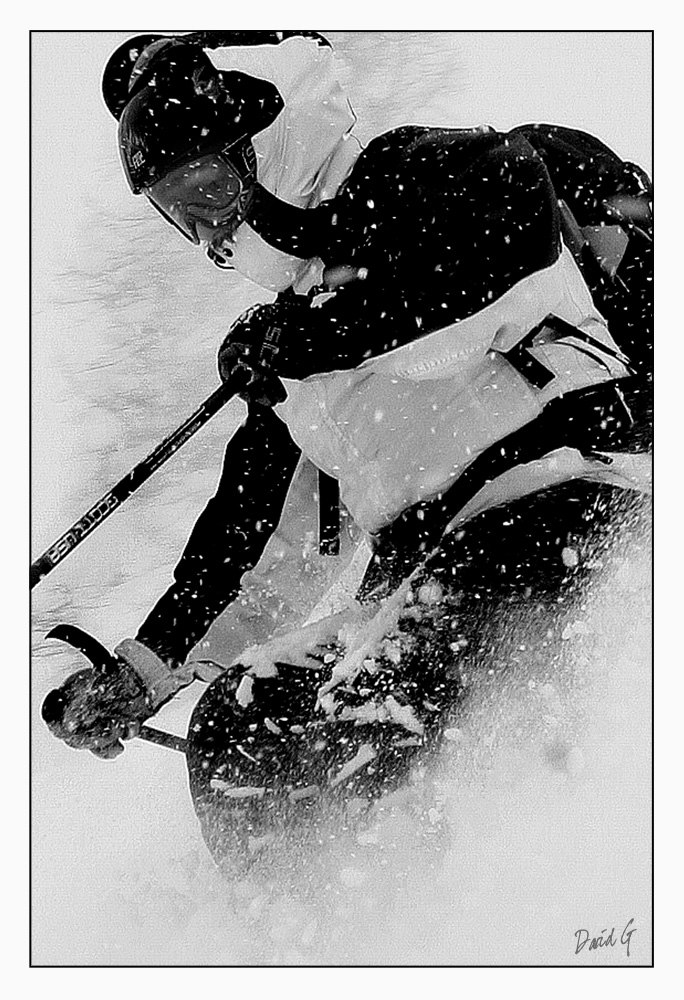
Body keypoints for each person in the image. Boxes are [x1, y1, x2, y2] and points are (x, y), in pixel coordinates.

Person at [43, 33, 652, 857]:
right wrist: (139, 676)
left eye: (212, 185)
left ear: (268, 138)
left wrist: (311, 339)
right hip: (426, 577)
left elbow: (501, 250)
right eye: (177, 208)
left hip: (568, 502)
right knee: (240, 724)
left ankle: (467, 909)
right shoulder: (289, 342)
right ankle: (278, 953)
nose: (207, 229)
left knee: (382, 701)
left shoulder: (416, 176)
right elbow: (262, 546)